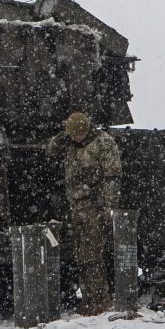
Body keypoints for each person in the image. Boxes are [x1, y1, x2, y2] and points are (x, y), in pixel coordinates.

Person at [47, 111, 122, 316]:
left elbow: (112, 176)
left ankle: (99, 300)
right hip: (76, 207)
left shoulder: (103, 143)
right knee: (81, 255)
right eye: (73, 134)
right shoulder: (70, 142)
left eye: (79, 134)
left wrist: (109, 205)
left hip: (94, 206)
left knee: (92, 255)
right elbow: (50, 150)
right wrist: (62, 137)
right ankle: (89, 299)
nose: (76, 138)